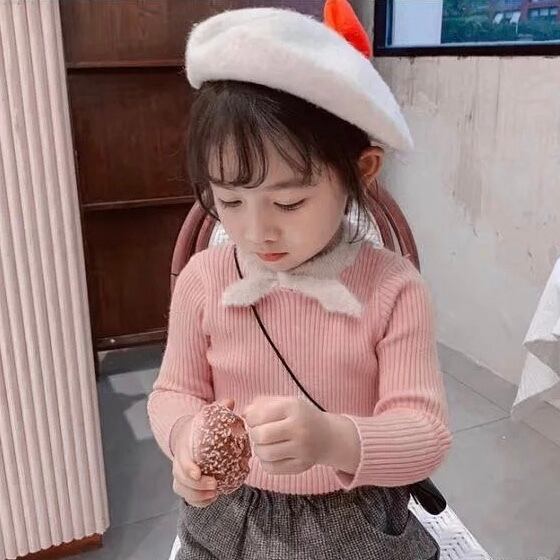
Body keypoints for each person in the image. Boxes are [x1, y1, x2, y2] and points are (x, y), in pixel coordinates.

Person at [148, 2, 452, 558]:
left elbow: (426, 433)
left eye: (289, 202)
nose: (256, 230)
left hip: (352, 513)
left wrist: (334, 438)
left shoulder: (393, 289)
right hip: (229, 514)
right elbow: (175, 392)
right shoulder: (203, 280)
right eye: (230, 201)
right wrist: (185, 436)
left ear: (362, 171)